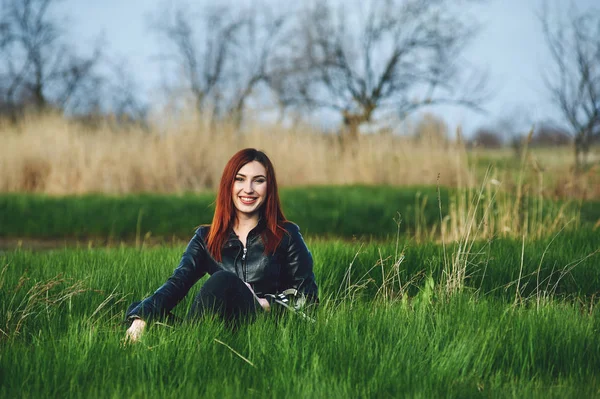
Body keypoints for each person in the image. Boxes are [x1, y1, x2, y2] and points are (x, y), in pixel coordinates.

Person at [125, 148, 318, 342]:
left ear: (269, 188)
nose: (248, 189)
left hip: (264, 332)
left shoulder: (287, 235)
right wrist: (141, 317)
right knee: (141, 309)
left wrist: (265, 302)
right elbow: (177, 283)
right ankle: (190, 341)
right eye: (240, 179)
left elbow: (308, 301)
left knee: (223, 280)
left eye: (258, 180)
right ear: (229, 185)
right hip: (218, 331)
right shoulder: (206, 237)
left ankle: (187, 344)